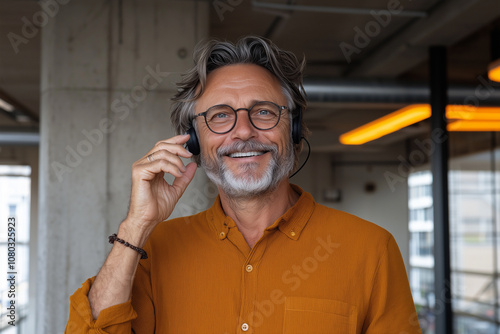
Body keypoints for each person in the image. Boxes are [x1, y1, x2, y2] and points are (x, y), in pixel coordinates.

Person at [65, 36, 422, 333]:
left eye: (264, 111)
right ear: (193, 140)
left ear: (293, 129)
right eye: (220, 115)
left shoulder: (371, 249)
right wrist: (136, 224)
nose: (244, 131)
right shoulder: (151, 250)